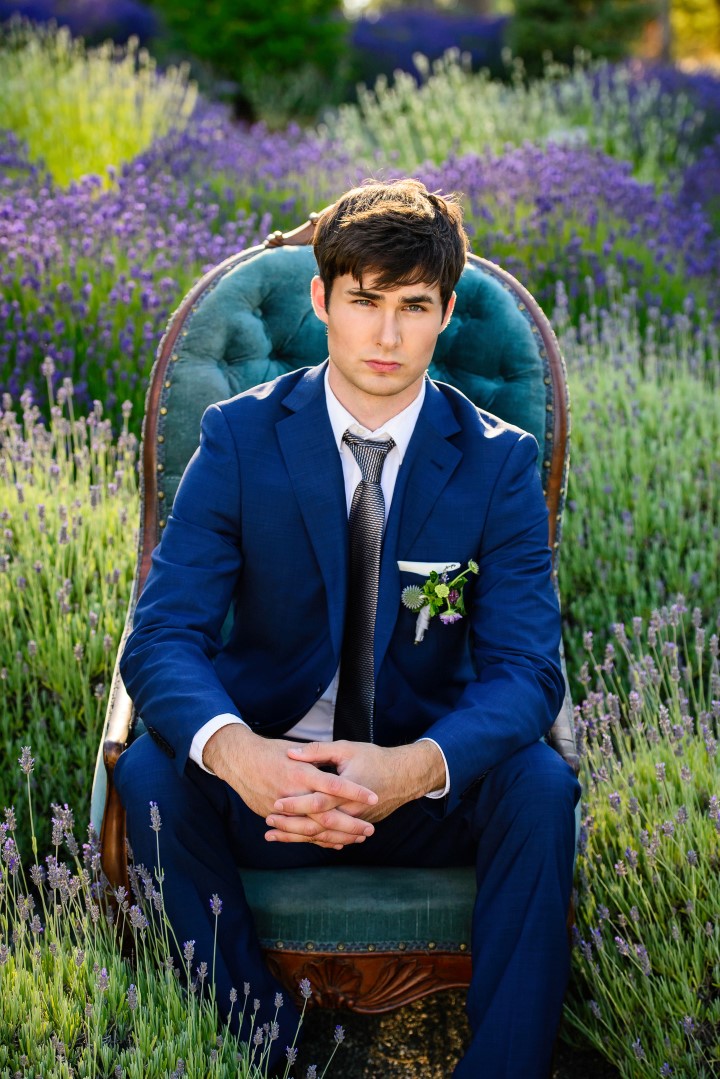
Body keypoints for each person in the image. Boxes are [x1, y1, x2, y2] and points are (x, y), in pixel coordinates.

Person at [114, 178, 580, 1078]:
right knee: (149, 770)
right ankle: (270, 1048)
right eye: (366, 301)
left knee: (538, 785)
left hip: (425, 785)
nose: (389, 335)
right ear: (323, 299)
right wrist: (242, 755)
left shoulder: (497, 462)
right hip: (273, 786)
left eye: (414, 307)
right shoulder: (239, 439)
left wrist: (408, 770)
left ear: (445, 312)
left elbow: (527, 671)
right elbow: (163, 634)